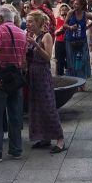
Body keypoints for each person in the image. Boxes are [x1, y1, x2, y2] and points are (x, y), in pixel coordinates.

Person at [0, 5, 28, 163]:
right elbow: (23, 60)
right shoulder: (21, 32)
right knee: (15, 115)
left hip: (1, 76)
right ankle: (16, 149)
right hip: (15, 77)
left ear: (0, 18)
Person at [25, 10, 65, 152]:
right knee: (36, 107)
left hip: (42, 74)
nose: (28, 24)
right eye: (27, 21)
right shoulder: (31, 35)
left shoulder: (46, 36)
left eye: (30, 21)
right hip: (32, 75)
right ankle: (44, 137)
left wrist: (35, 45)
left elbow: (48, 57)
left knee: (48, 107)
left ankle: (60, 139)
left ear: (38, 22)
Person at [64, 0, 92, 91]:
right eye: (74, 4)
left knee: (82, 61)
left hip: (81, 41)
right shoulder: (71, 13)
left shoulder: (85, 14)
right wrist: (70, 27)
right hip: (70, 40)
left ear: (82, 5)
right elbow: (64, 25)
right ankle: (74, 84)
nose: (75, 6)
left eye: (77, 4)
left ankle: (82, 84)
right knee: (72, 62)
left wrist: (87, 27)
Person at [54, 3, 70, 76]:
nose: (64, 11)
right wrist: (59, 31)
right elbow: (55, 32)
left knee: (68, 59)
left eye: (66, 10)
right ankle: (60, 76)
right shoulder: (57, 20)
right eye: (62, 10)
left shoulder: (70, 20)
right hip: (59, 42)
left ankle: (69, 75)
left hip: (68, 42)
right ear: (60, 11)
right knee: (59, 60)